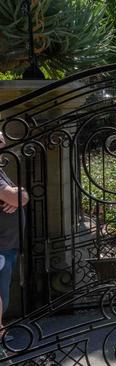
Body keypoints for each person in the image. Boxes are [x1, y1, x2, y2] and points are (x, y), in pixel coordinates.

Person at [0, 131, 29, 338]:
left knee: (2, 295)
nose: (3, 144)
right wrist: (17, 196)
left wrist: (19, 194)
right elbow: (16, 197)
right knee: (0, 295)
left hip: (7, 244)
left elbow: (23, 197)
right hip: (1, 246)